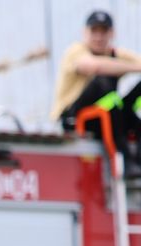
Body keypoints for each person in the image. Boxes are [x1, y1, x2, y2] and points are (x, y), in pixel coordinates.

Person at [53, 10, 141, 175]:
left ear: (112, 33)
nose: (99, 37)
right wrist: (128, 67)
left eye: (104, 31)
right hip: (76, 118)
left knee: (118, 107)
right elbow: (95, 66)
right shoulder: (76, 51)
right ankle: (125, 160)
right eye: (94, 31)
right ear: (85, 33)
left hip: (106, 114)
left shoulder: (116, 54)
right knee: (104, 84)